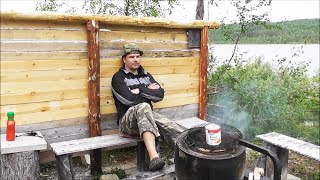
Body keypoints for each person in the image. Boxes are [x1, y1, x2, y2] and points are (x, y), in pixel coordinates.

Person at [111, 43, 186, 171]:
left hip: (147, 118)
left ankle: (190, 157)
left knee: (172, 127)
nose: (136, 59)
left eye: (138, 56)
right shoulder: (118, 78)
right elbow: (128, 99)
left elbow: (159, 95)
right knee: (144, 106)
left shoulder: (146, 76)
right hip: (127, 124)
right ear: (124, 59)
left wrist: (139, 89)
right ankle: (154, 158)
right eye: (131, 57)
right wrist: (148, 92)